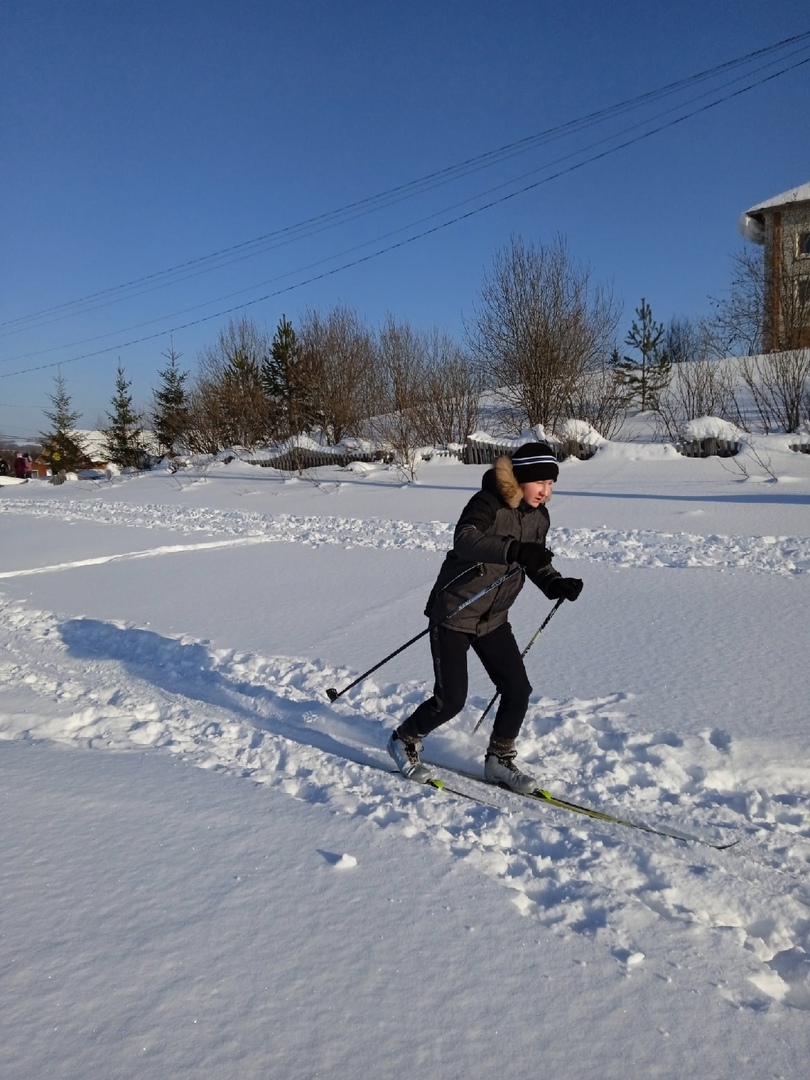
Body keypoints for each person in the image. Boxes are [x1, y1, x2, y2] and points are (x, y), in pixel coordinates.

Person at [387, 441, 583, 793]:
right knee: (451, 700)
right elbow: (465, 540)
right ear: (520, 478)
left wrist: (554, 583)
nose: (546, 491)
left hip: (493, 618)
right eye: (540, 482)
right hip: (455, 611)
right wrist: (513, 549)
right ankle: (404, 739)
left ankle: (499, 759)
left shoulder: (539, 517)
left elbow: (533, 559)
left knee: (517, 690)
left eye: (551, 483)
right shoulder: (487, 503)